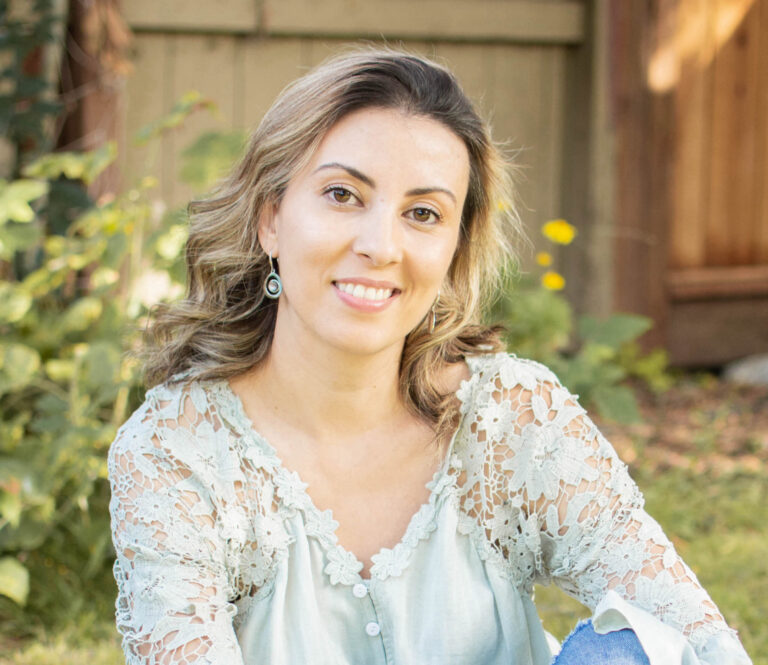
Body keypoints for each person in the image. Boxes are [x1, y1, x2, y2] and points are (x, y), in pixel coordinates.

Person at [108, 47, 752, 665]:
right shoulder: (178, 455)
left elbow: (699, 640)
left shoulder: (510, 419)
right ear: (271, 218)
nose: (381, 246)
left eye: (422, 213)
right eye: (342, 195)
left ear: (452, 252)